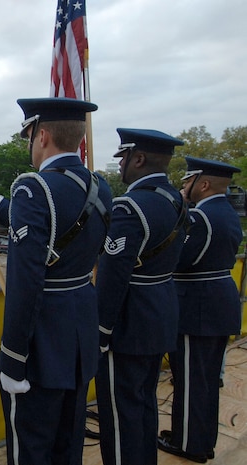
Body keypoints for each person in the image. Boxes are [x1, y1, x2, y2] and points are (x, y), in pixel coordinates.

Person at [0, 97, 111, 465]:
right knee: (67, 445)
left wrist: (13, 360)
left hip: (41, 346)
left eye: (29, 135)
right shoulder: (100, 187)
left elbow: (24, 286)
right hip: (79, 337)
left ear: (42, 136)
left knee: (32, 449)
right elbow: (35, 221)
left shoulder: (33, 189)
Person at [95, 128, 187, 465]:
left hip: (129, 324)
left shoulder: (130, 207)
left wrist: (101, 332)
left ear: (139, 158)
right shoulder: (177, 200)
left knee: (121, 415)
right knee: (145, 403)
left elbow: (112, 276)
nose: (120, 166)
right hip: (161, 312)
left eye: (123, 158)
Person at [156, 157, 243, 463]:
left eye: (187, 181)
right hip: (216, 303)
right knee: (204, 381)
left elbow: (180, 258)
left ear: (202, 184)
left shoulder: (202, 218)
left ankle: (189, 445)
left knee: (192, 381)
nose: (182, 186)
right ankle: (199, 439)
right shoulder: (226, 213)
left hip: (199, 307)